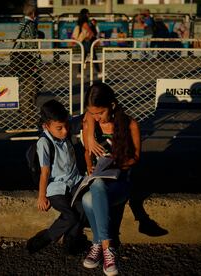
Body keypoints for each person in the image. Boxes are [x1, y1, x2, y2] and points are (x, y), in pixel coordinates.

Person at [81, 83, 141, 276]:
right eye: (93, 113)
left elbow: (136, 157)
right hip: (98, 181)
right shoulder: (91, 121)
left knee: (92, 193)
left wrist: (116, 164)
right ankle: (106, 247)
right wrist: (90, 164)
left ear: (112, 105)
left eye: (100, 113)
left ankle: (102, 245)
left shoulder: (130, 124)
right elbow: (86, 153)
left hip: (120, 182)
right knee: (87, 196)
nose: (97, 117)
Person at [26, 99, 87, 255]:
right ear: (46, 126)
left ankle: (70, 243)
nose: (65, 131)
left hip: (74, 181)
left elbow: (86, 117)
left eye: (66, 125)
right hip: (56, 188)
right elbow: (45, 172)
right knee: (70, 216)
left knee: (82, 207)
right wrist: (41, 196)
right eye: (59, 128)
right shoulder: (44, 143)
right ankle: (45, 237)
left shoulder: (65, 127)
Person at [13, 4, 42, 104]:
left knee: (24, 84)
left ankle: (23, 105)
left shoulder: (22, 23)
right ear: (33, 13)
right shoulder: (31, 25)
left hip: (19, 57)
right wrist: (37, 63)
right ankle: (29, 112)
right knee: (33, 85)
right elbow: (32, 45)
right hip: (28, 58)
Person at [73, 8, 101, 77]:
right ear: (85, 14)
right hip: (86, 41)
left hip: (84, 41)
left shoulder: (81, 22)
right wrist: (95, 40)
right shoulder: (84, 22)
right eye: (88, 13)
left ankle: (79, 73)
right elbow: (89, 31)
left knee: (83, 57)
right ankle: (99, 72)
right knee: (93, 56)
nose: (89, 15)